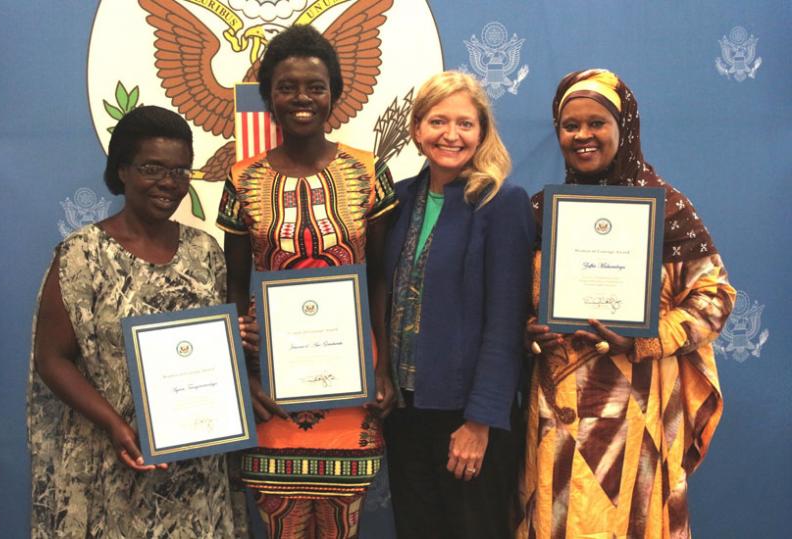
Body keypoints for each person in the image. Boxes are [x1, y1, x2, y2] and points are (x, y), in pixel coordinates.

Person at [518, 69, 736, 538]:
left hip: (638, 405)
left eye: (596, 122)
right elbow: (510, 302)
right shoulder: (539, 213)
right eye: (569, 125)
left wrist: (646, 338)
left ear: (624, 127)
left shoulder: (667, 209)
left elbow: (714, 299)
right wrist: (525, 329)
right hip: (556, 409)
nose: (582, 135)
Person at [216, 25, 397, 537]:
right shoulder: (241, 178)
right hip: (272, 388)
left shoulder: (367, 171)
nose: (302, 98)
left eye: (315, 87)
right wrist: (243, 376)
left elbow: (381, 276)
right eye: (287, 86)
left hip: (351, 385)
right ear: (268, 96)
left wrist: (381, 369)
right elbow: (233, 286)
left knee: (343, 525)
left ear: (335, 95)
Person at [28, 106, 236, 537]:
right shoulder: (82, 255)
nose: (168, 183)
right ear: (122, 169)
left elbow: (216, 349)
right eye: (152, 168)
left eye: (180, 171)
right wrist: (115, 425)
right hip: (112, 462)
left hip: (194, 468)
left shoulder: (207, 251)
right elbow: (52, 360)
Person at [382, 71, 535, 539]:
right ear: (415, 129)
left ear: (482, 131)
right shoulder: (397, 198)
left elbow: (506, 323)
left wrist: (480, 421)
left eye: (465, 124)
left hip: (468, 419)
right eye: (438, 121)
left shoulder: (500, 202)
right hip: (405, 412)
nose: (451, 134)